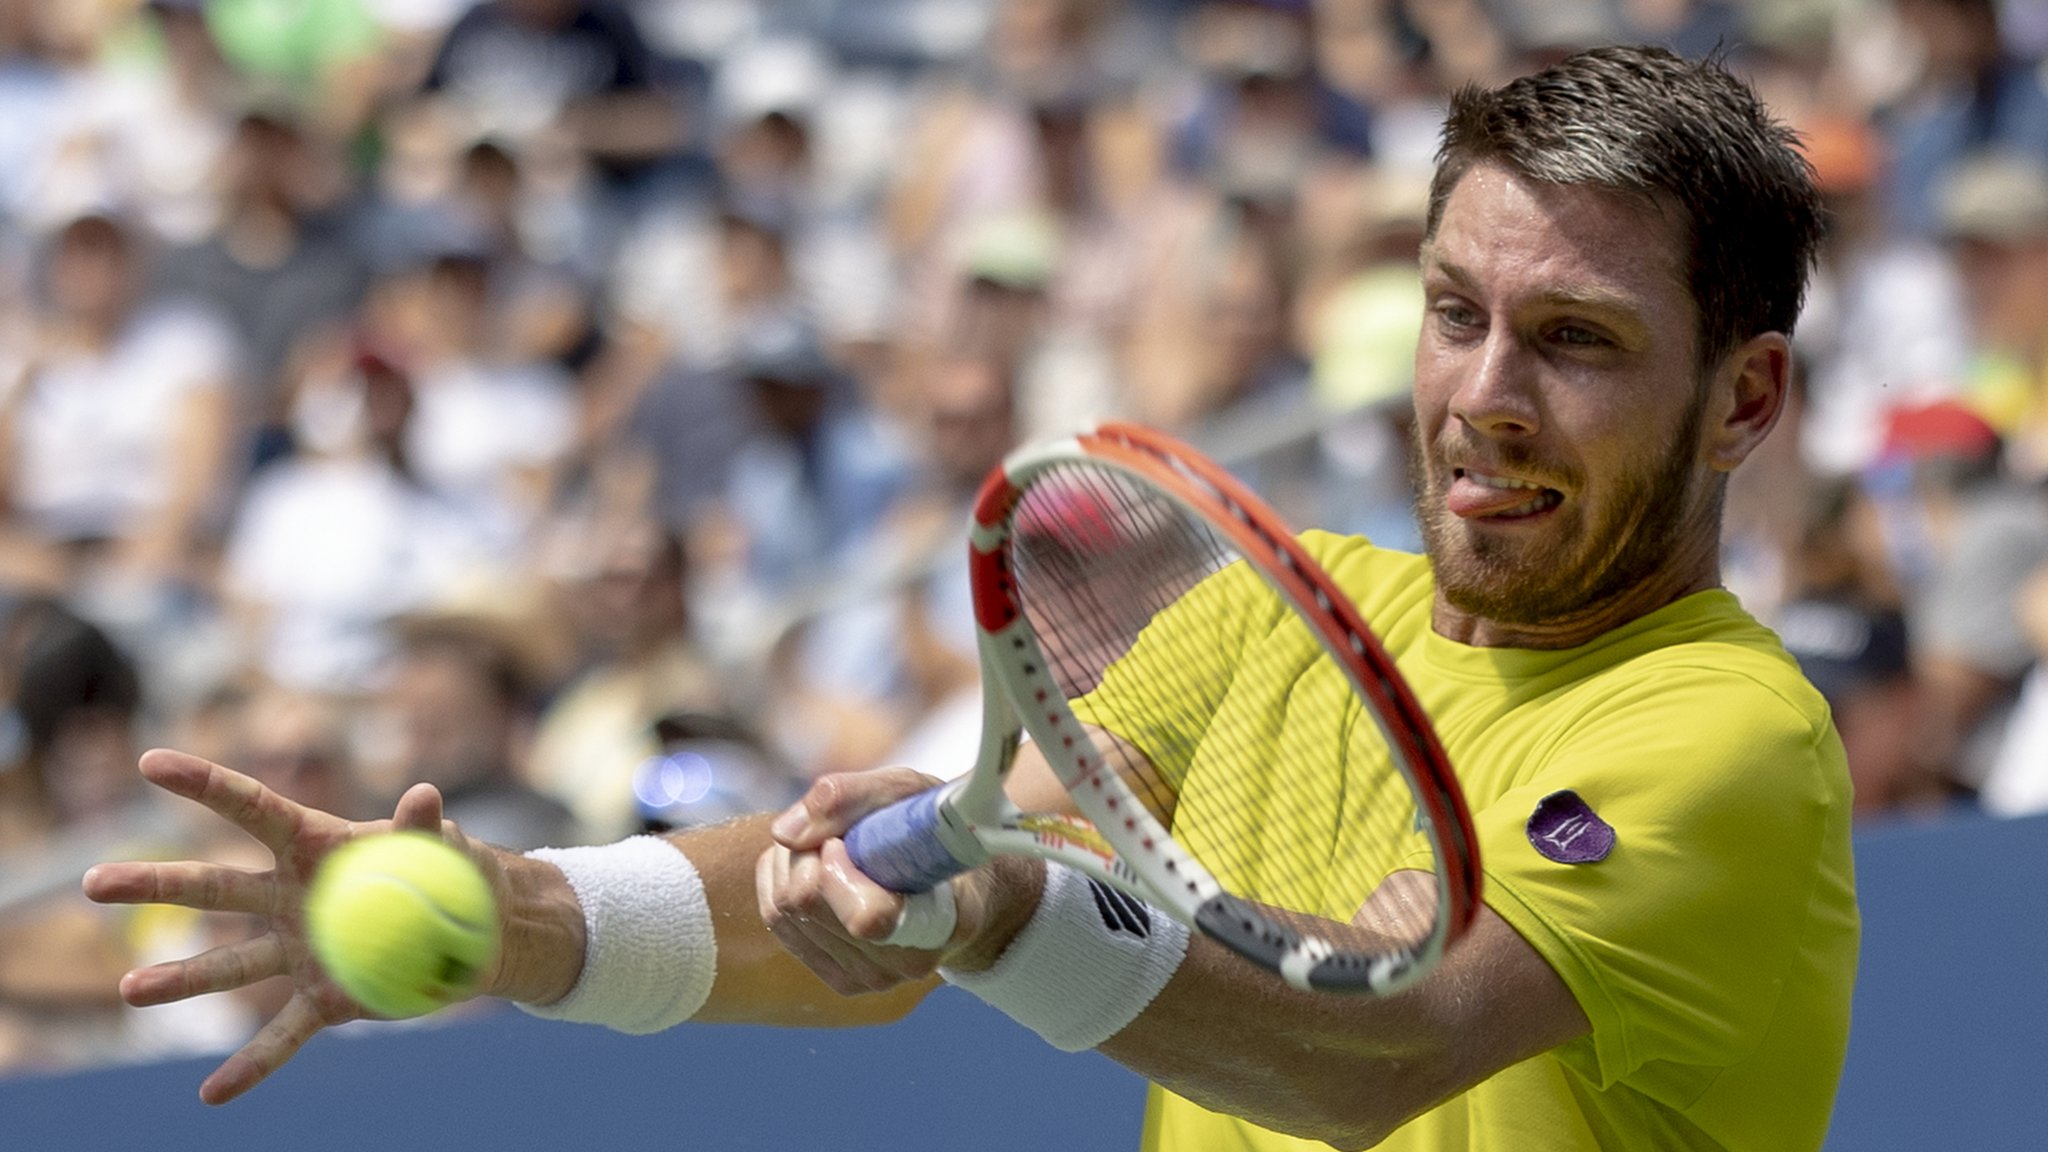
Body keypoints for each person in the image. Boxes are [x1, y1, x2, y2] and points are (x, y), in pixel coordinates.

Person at [82, 45, 1856, 1151]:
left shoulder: (1728, 736)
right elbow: (873, 924)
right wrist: (528, 911)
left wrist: (997, 921)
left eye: (1577, 342)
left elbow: (1371, 1054)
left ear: (1746, 399)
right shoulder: (1261, 614)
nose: (1483, 395)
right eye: (1455, 311)